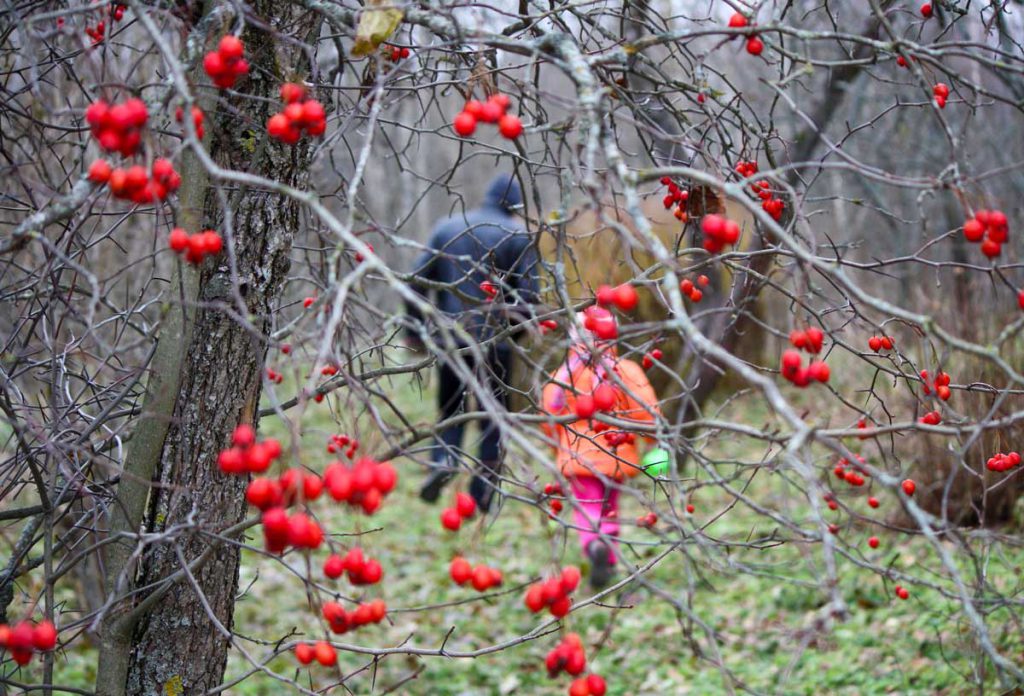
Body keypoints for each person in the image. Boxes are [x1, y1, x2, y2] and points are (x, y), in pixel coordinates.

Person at [404, 173, 540, 513]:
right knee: (493, 418)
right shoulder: (518, 236)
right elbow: (529, 298)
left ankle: (443, 464)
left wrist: (417, 330)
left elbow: (414, 283)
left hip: (452, 339)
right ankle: (481, 495)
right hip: (496, 342)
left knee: (451, 409)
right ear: (515, 205)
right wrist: (513, 336)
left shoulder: (448, 228)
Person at [540, 308, 660, 588]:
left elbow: (548, 416)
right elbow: (647, 411)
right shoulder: (625, 372)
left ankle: (595, 546)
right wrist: (654, 441)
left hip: (577, 457)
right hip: (616, 455)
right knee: (610, 508)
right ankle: (609, 558)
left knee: (587, 509)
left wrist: (556, 443)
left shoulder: (563, 376)